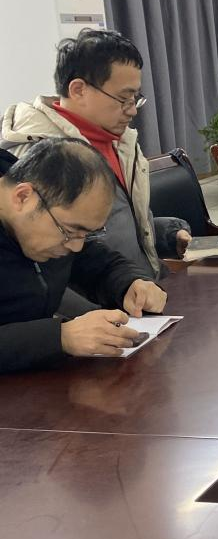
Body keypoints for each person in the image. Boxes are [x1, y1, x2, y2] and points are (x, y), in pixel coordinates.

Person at [2, 29, 191, 281]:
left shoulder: (121, 142)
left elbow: (119, 227)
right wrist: (120, 292)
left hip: (138, 289)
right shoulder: (37, 156)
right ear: (79, 90)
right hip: (104, 301)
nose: (132, 110)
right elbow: (46, 268)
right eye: (123, 99)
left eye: (135, 98)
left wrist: (167, 234)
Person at [1, 138, 168, 372]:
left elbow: (90, 259)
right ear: (22, 197)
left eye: (86, 233)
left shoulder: (49, 212)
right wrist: (60, 337)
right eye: (69, 231)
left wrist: (130, 282)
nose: (77, 246)